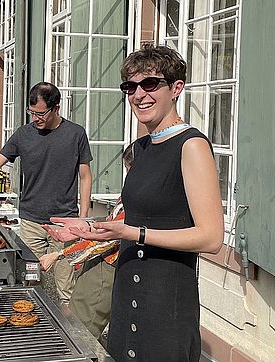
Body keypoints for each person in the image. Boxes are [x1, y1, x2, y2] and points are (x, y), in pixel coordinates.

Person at [48, 45, 224, 362]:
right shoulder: (141, 147)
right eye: (130, 87)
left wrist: (135, 234)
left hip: (165, 302)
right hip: (128, 290)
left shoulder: (191, 145)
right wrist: (89, 228)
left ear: (176, 88)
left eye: (150, 84)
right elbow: (135, 218)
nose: (138, 94)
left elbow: (211, 238)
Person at [0, 81, 93, 304]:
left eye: (40, 113)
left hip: (65, 223)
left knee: (66, 288)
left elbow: (86, 176)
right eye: (32, 113)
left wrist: (83, 219)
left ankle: (70, 334)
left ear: (56, 108)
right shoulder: (23, 135)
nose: (36, 118)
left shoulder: (76, 134)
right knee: (30, 283)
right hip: (31, 221)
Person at [40, 142, 134, 343]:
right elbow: (109, 225)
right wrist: (85, 227)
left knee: (81, 333)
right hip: (101, 265)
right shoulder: (133, 192)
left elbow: (107, 240)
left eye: (130, 170)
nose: (129, 176)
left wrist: (59, 254)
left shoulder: (140, 200)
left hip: (106, 269)